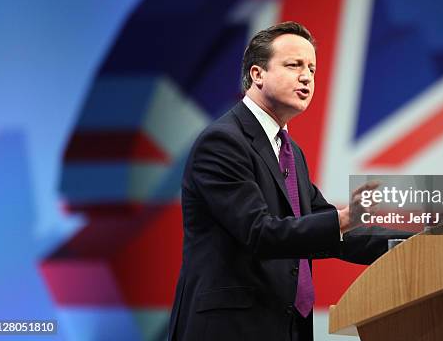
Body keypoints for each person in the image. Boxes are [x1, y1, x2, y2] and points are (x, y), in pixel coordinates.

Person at [168, 21, 398, 341]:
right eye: (294, 65)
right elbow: (260, 232)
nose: (306, 76)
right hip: (230, 330)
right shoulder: (223, 142)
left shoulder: (290, 152)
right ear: (257, 74)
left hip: (283, 328)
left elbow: (323, 226)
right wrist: (342, 219)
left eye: (312, 69)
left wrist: (424, 243)